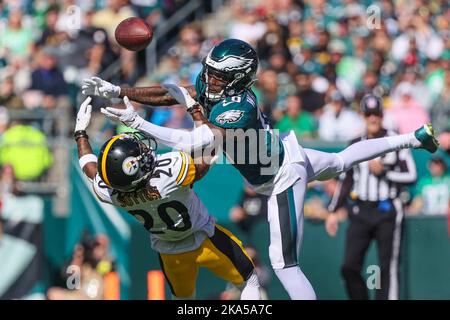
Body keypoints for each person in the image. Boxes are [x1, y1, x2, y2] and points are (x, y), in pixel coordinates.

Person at [82, 39, 439, 300]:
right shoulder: (220, 90)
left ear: (238, 78)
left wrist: (138, 123)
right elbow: (173, 92)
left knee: (283, 265)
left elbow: (197, 141)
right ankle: (413, 138)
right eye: (210, 72)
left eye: (218, 76)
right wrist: (119, 90)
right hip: (286, 153)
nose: (209, 80)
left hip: (281, 177)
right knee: (343, 160)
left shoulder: (240, 106)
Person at [74, 97, 261, 300]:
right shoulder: (170, 172)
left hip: (169, 252)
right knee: (249, 279)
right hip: (205, 238)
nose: (144, 149)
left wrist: (80, 134)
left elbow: (91, 170)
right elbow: (207, 147)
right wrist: (196, 112)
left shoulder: (110, 192)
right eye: (141, 151)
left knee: (182, 299)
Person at [325, 94, 418, 300]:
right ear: (363, 116)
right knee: (349, 266)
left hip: (388, 210)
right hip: (360, 210)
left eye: (376, 113)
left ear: (382, 115)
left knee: (388, 267)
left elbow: (412, 175)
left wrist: (384, 172)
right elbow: (346, 180)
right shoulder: (356, 142)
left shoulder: (395, 139)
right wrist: (332, 211)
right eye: (369, 114)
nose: (373, 118)